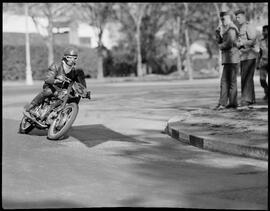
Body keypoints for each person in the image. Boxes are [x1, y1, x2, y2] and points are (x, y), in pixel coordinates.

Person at [24, 46, 90, 115]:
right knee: (48, 91)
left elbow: (81, 82)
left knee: (77, 96)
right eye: (69, 57)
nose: (72, 60)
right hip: (53, 87)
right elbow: (47, 79)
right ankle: (31, 106)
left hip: (65, 90)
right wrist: (56, 80)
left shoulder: (77, 70)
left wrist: (85, 92)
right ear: (65, 57)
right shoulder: (56, 65)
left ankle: (68, 115)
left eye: (74, 58)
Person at [214, 11, 240, 110]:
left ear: (229, 18)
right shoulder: (225, 29)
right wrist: (217, 33)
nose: (222, 21)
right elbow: (220, 41)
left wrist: (220, 46)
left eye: (223, 19)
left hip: (232, 58)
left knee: (226, 81)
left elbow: (229, 43)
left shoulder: (232, 29)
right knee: (227, 81)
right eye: (221, 19)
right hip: (228, 59)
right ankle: (230, 104)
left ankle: (226, 104)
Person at [234, 9, 258, 107]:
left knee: (246, 78)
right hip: (244, 56)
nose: (237, 19)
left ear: (244, 16)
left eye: (239, 17)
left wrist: (241, 43)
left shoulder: (249, 26)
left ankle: (246, 100)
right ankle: (250, 99)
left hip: (249, 55)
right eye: (236, 17)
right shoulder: (241, 27)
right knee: (246, 78)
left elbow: (252, 40)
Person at [256, 25, 268, 101]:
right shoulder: (261, 41)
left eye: (264, 31)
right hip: (263, 61)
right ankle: (267, 92)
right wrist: (257, 63)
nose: (263, 32)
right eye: (263, 31)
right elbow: (259, 53)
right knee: (262, 80)